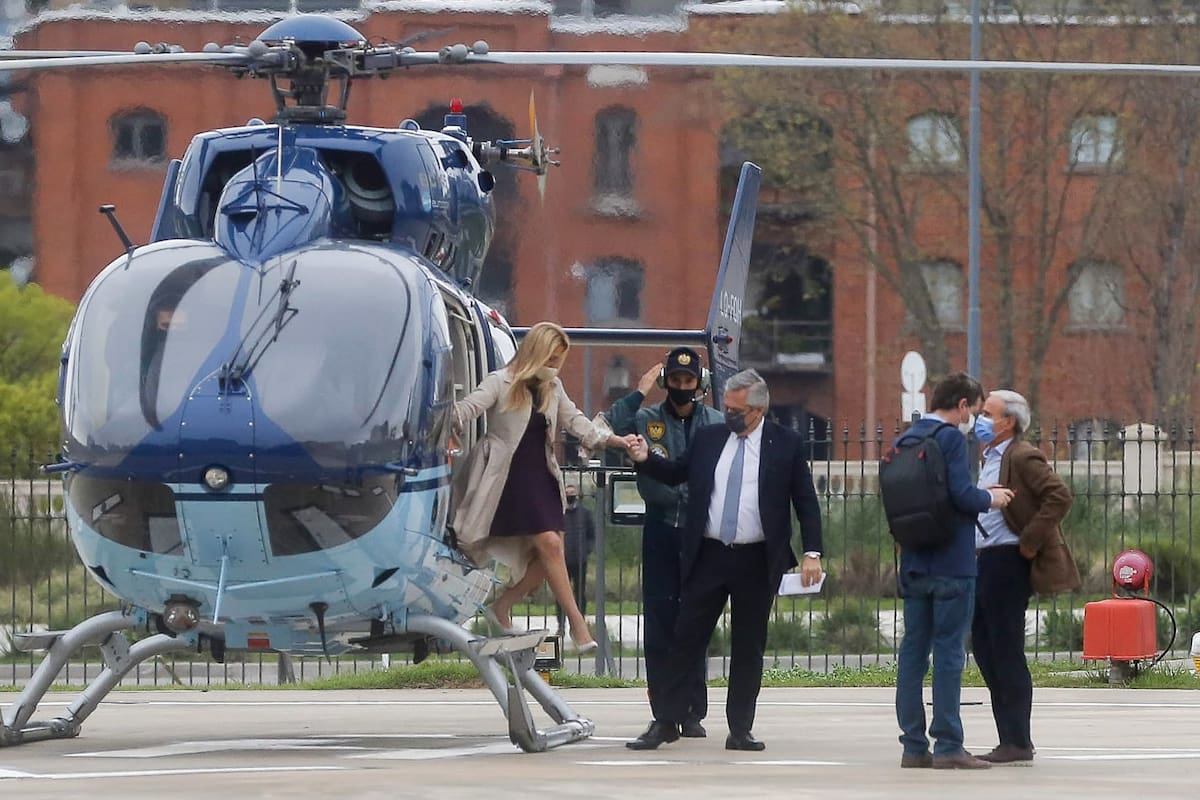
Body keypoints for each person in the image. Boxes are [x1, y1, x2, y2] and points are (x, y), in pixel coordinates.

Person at [624, 368, 823, 752]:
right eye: (727, 407)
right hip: (709, 554)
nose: (730, 415)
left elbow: (806, 502)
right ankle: (666, 720)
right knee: (686, 639)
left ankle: (740, 729)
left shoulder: (786, 444)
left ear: (760, 408)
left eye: (738, 410)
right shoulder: (710, 437)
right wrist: (645, 458)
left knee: (749, 645)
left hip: (756, 558)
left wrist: (812, 553)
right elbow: (676, 472)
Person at [451, 321, 632, 652]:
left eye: (559, 359)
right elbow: (470, 407)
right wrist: (449, 418)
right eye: (551, 357)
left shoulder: (554, 388)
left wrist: (616, 440)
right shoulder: (501, 381)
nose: (555, 365)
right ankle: (579, 626)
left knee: (551, 552)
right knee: (550, 544)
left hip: (543, 475)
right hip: (510, 477)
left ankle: (504, 606)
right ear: (536, 352)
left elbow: (576, 421)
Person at [893, 372, 1013, 771]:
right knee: (947, 652)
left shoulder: (905, 439)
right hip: (952, 563)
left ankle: (912, 745)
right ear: (962, 405)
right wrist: (991, 498)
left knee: (912, 653)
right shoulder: (949, 439)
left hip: (914, 562)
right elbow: (962, 496)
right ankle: (948, 745)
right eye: (974, 410)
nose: (974, 418)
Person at [607, 347, 723, 739]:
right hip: (659, 527)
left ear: (700, 384)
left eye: (688, 381)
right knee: (659, 622)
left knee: (695, 620)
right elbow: (611, 426)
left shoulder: (715, 422)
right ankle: (663, 714)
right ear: (665, 382)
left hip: (699, 531)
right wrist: (639, 391)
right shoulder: (647, 417)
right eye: (674, 380)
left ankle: (692, 711)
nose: (681, 388)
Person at [971, 389, 1078, 765]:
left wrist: (1029, 541)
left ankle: (1017, 740)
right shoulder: (989, 456)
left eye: (987, 413)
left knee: (1005, 649)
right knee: (984, 646)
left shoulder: (1022, 454)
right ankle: (1010, 737)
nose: (979, 419)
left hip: (1007, 562)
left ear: (1008, 422)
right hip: (983, 561)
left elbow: (1059, 496)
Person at [556, 483, 596, 636]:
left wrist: (587, 550)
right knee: (561, 595)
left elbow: (592, 534)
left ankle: (579, 626)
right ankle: (561, 626)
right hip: (562, 561)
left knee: (580, 594)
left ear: (577, 495)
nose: (570, 496)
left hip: (580, 560)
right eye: (567, 493)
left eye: (572, 493)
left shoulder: (584, 513)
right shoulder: (559, 513)